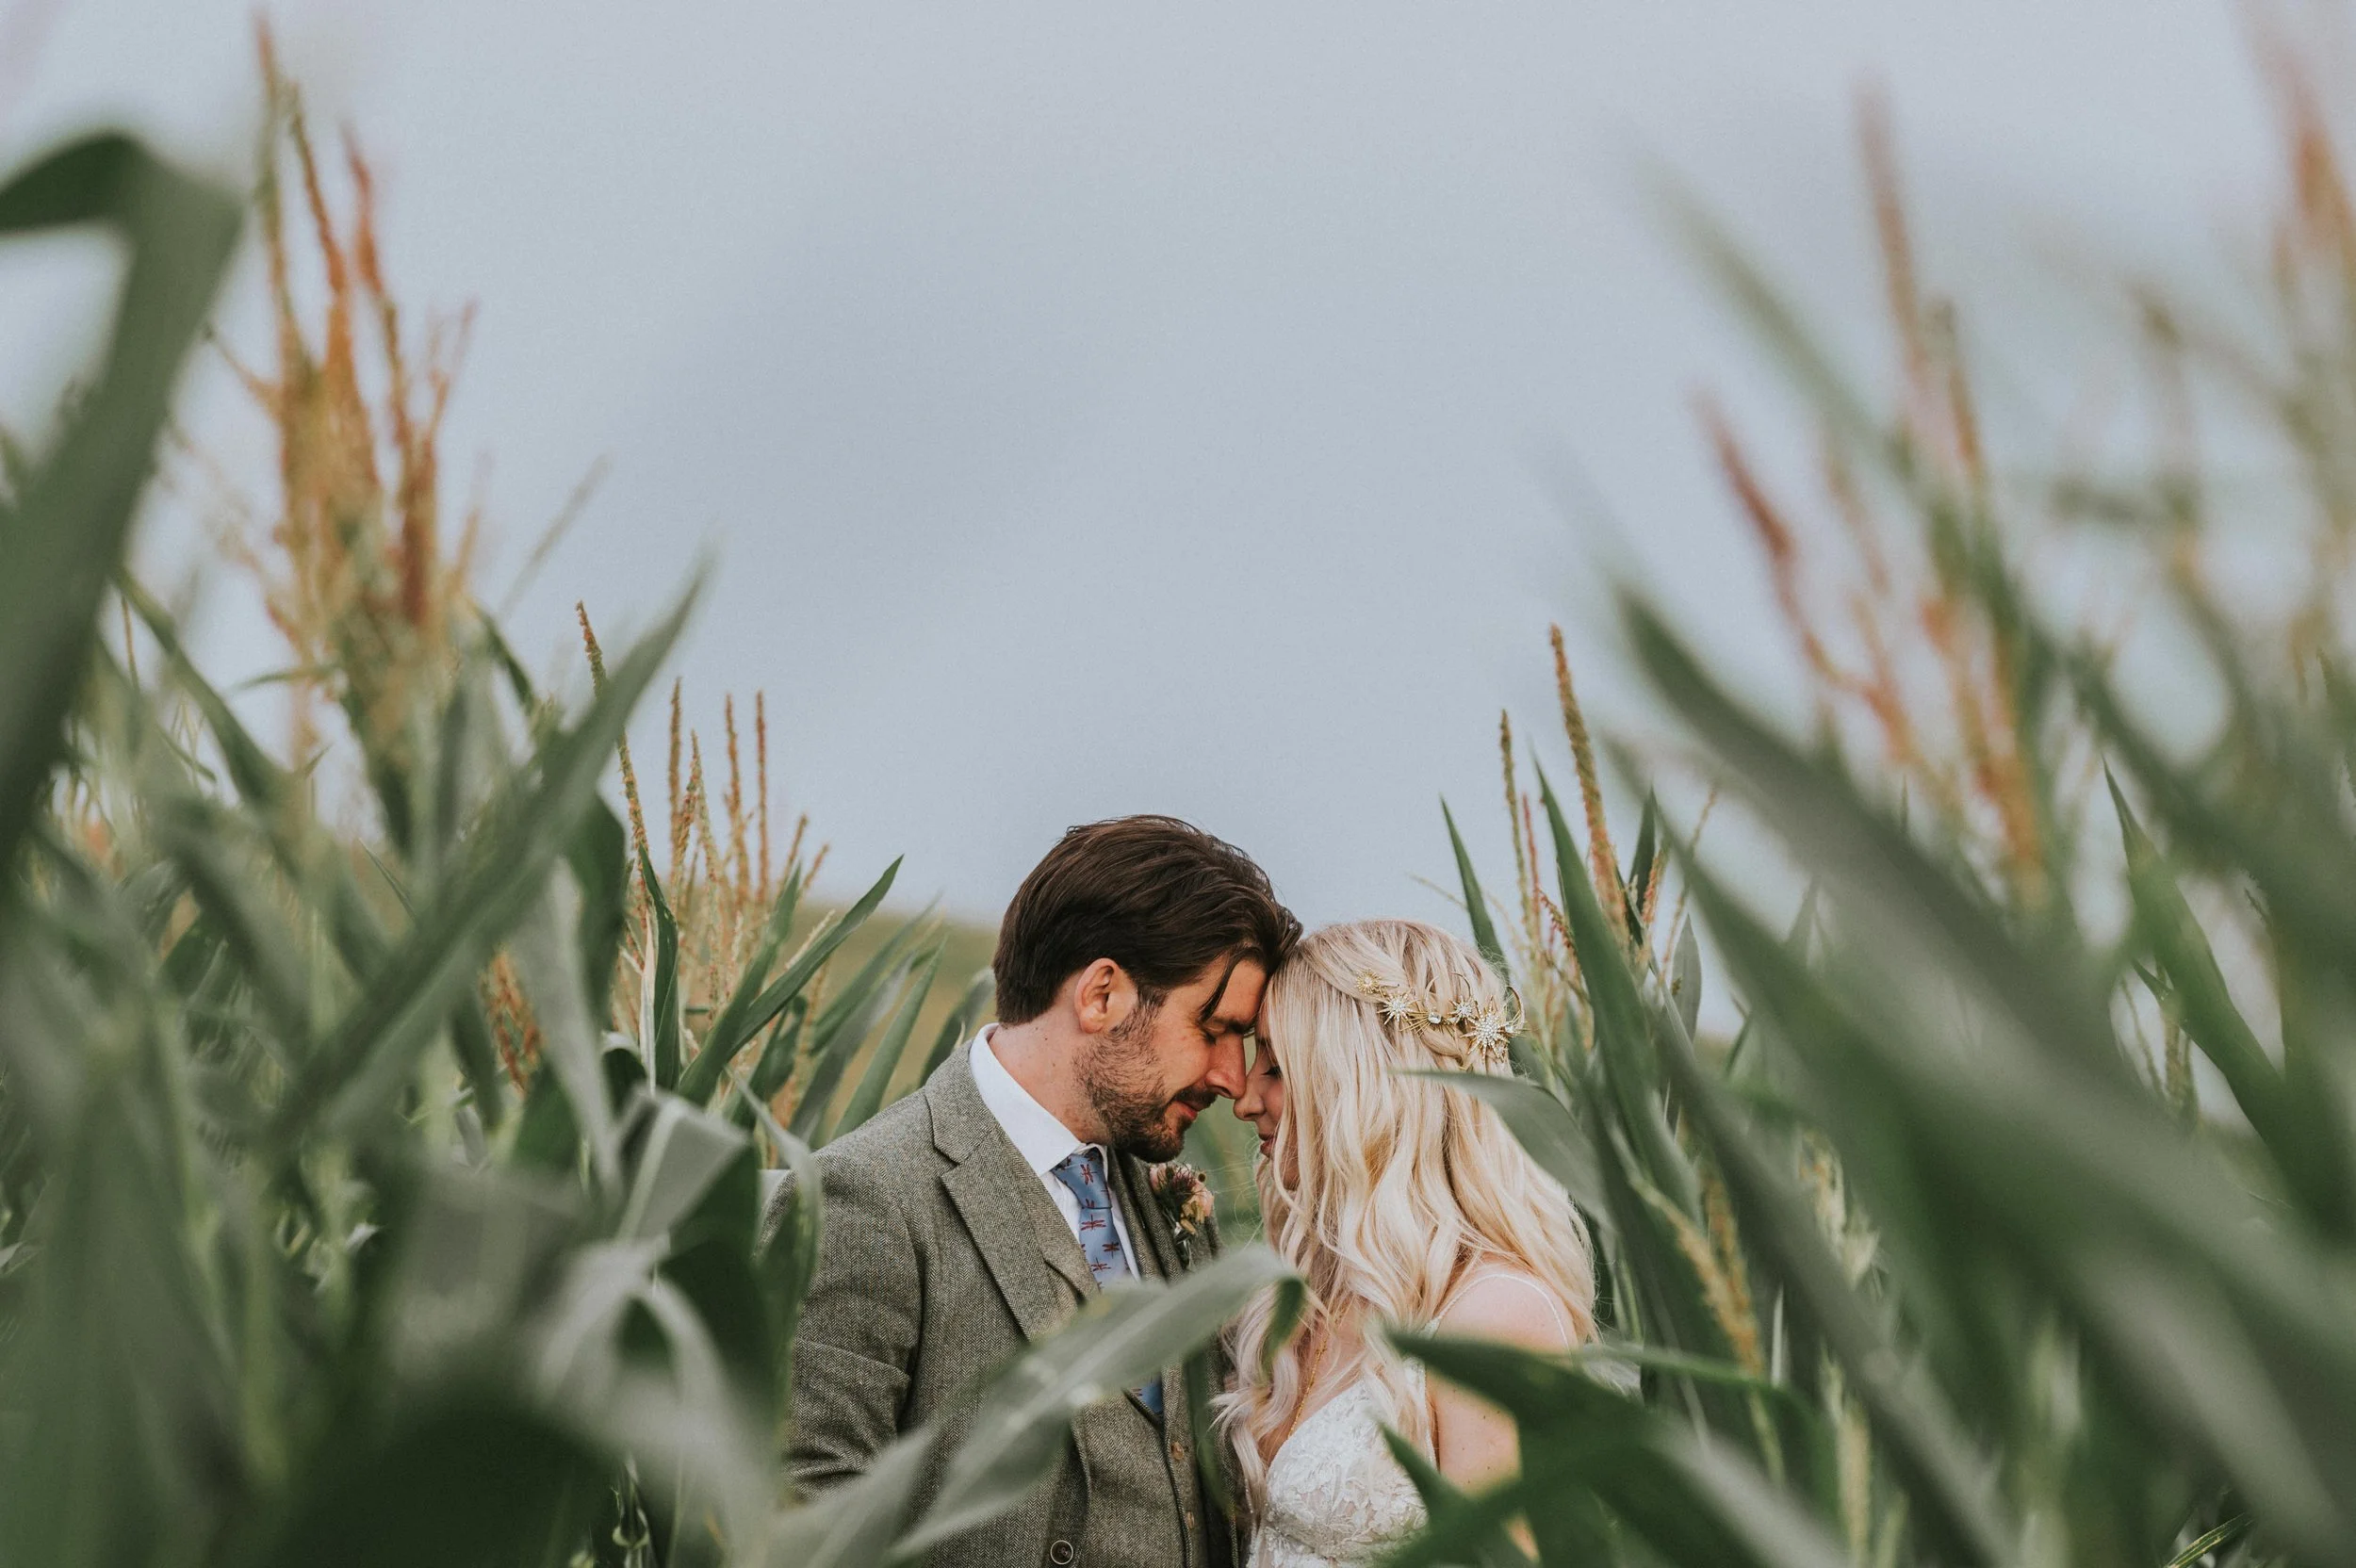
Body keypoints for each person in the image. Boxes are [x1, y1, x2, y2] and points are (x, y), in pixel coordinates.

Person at [789, 814, 1301, 1568]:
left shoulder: (1164, 1197)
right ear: (1101, 995)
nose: (1232, 1077)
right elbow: (809, 1505)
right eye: (1213, 1028)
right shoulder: (871, 1193)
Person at [1218, 919, 1595, 1568]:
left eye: (1276, 1066)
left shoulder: (1494, 1316)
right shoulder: (1305, 1288)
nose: (1246, 1098)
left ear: (1361, 1081)